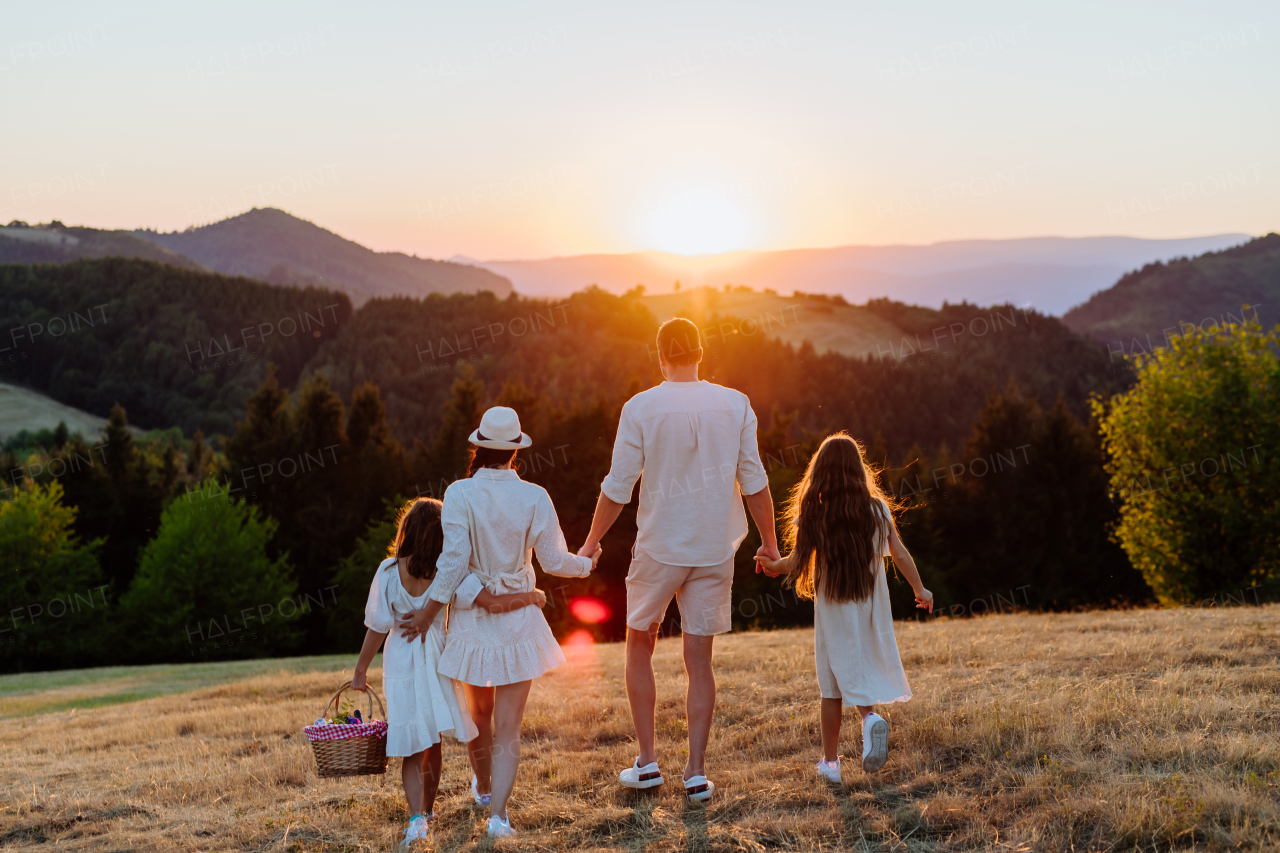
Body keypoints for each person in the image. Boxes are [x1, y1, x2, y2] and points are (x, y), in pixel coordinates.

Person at [577, 317, 778, 802]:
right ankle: (695, 773)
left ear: (661, 355)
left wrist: (590, 543)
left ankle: (648, 763)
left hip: (660, 548)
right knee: (699, 662)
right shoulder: (736, 404)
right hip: (713, 547)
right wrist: (770, 544)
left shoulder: (640, 407)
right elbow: (755, 482)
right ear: (700, 353)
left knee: (638, 646)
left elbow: (618, 486)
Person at [399, 406, 601, 839]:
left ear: (478, 448)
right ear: (515, 451)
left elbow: (452, 564)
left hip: (473, 624)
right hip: (520, 623)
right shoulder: (535, 496)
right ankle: (499, 816)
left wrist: (428, 613)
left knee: (479, 712)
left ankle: (486, 788)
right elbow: (553, 561)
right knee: (509, 725)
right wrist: (586, 564)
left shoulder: (459, 493)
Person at [350, 498, 544, 846]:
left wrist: (360, 669)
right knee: (433, 741)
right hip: (438, 661)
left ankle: (416, 821)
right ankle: (427, 809)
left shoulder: (388, 572)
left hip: (400, 664)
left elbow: (376, 627)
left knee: (411, 745)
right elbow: (491, 604)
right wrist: (530, 597)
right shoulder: (451, 572)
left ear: (406, 532)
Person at [754, 432, 933, 780]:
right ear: (858, 469)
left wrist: (773, 566)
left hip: (834, 606)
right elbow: (898, 552)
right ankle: (865, 724)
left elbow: (798, 561)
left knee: (831, 684)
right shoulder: (877, 509)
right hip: (869, 606)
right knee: (855, 665)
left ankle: (833, 761)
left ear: (820, 471)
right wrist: (920, 588)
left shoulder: (815, 510)